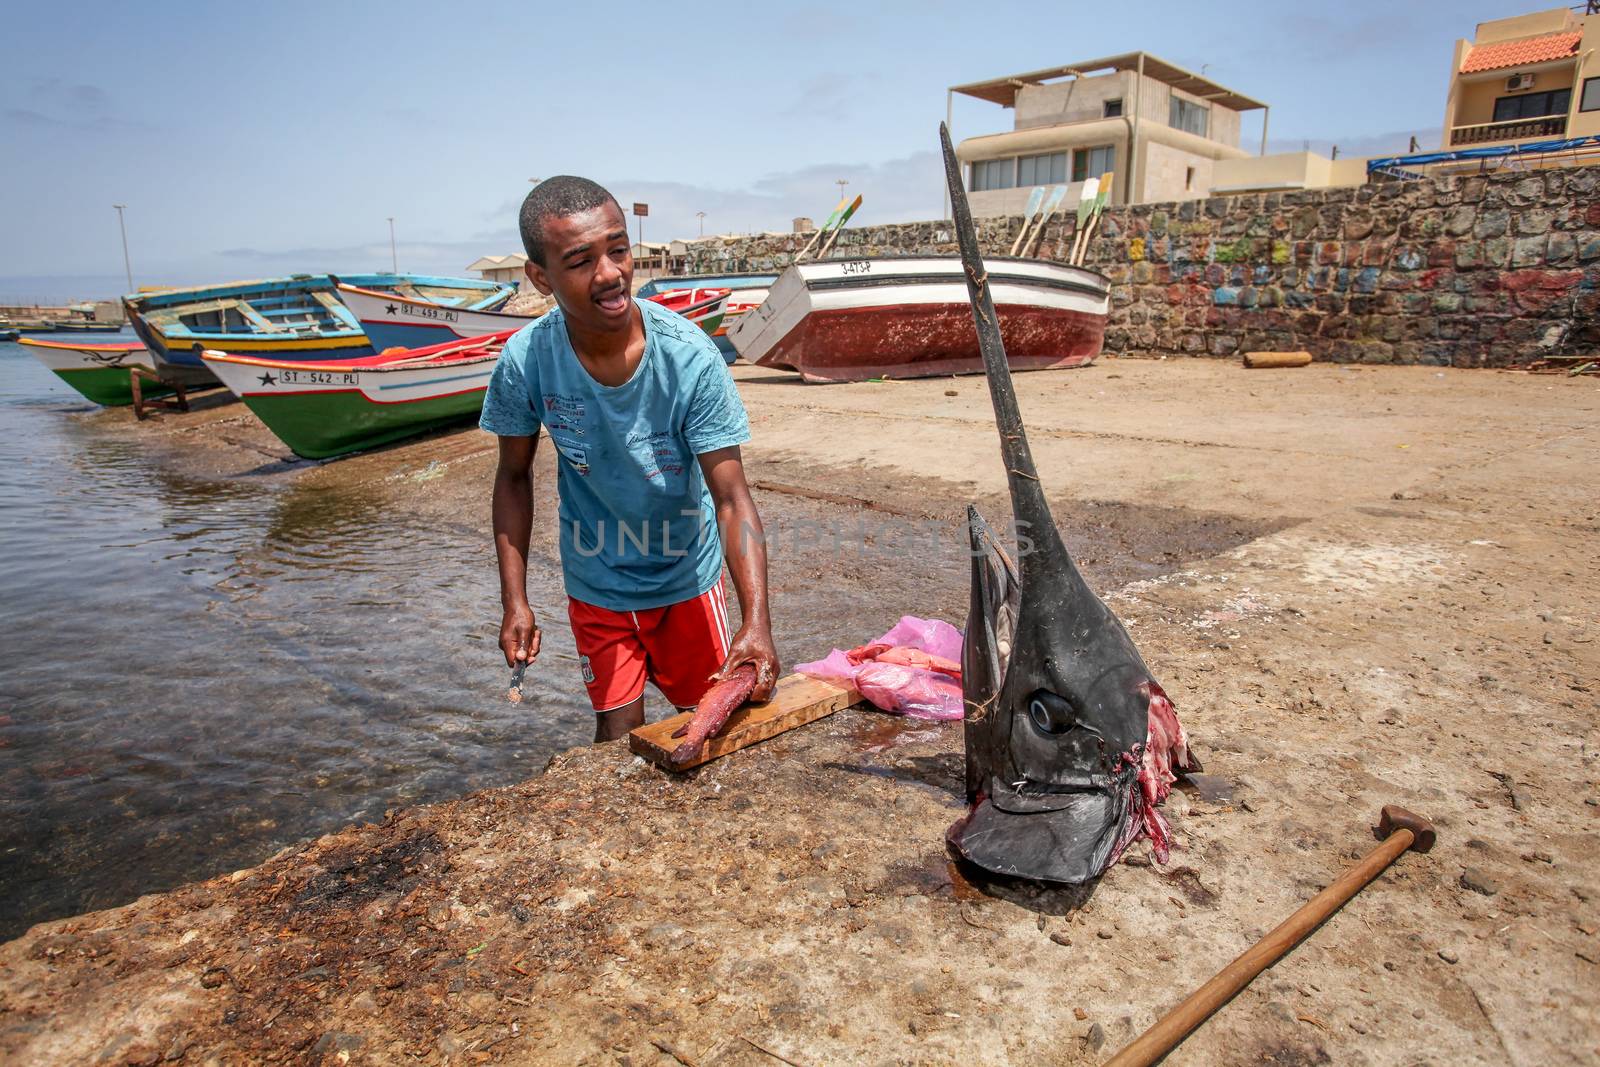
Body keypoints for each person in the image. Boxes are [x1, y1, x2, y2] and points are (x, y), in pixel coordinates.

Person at [481, 176, 779, 743]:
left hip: (686, 580)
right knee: (616, 745)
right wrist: (515, 601)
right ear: (540, 278)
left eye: (618, 249)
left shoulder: (689, 357)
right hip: (596, 585)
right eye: (580, 260)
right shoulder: (526, 362)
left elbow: (732, 498)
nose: (611, 273)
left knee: (715, 736)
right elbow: (513, 479)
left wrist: (756, 623)